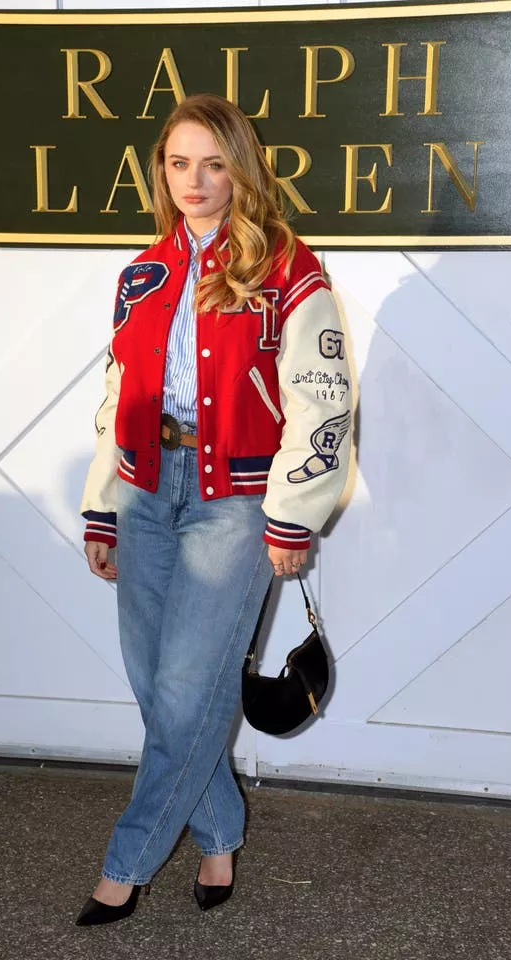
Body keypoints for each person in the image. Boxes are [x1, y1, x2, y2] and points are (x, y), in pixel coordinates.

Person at [75, 93, 352, 925]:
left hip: (234, 500)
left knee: (190, 686)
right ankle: (222, 830)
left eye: (213, 163)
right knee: (158, 687)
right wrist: (101, 507)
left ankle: (125, 865)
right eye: (177, 162)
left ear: (241, 167)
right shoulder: (143, 272)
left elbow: (322, 397)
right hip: (144, 487)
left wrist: (293, 513)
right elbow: (116, 393)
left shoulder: (288, 267)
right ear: (161, 170)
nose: (193, 180)